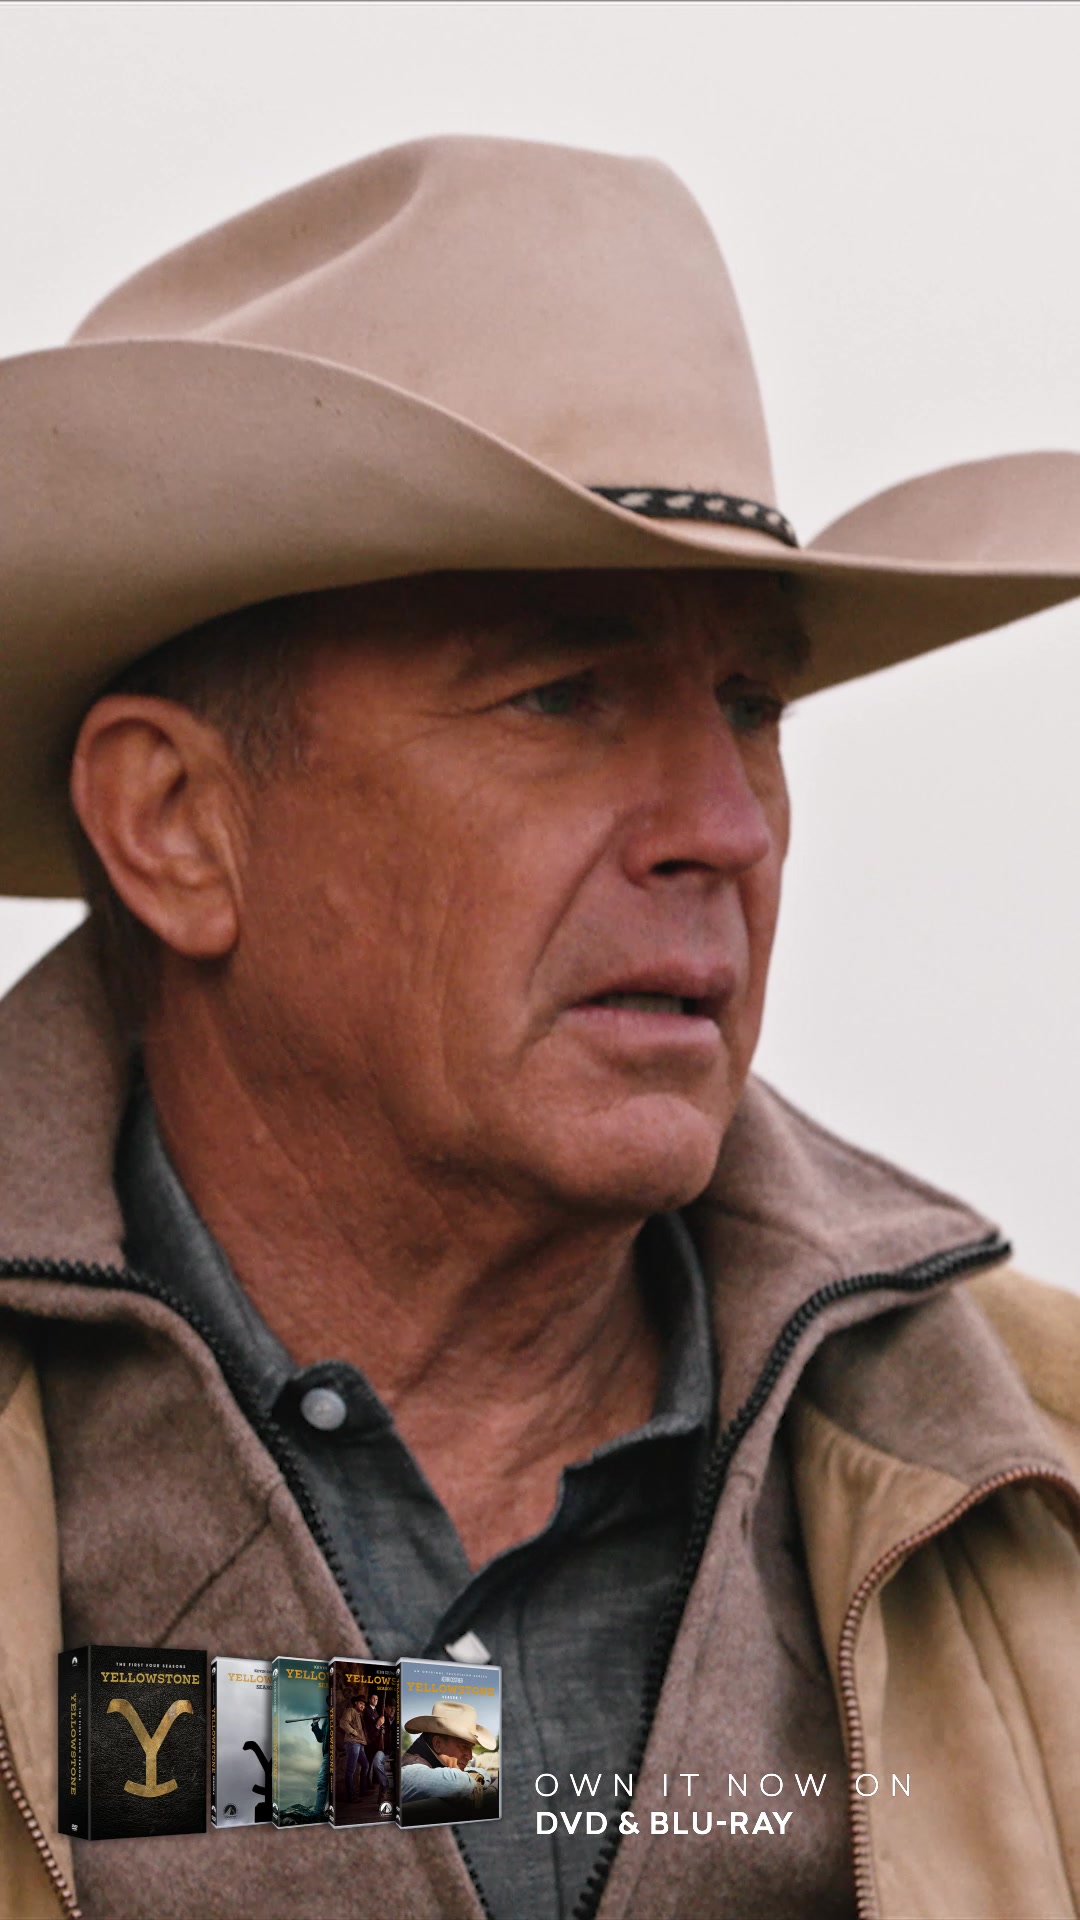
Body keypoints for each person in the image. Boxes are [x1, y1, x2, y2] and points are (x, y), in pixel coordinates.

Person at [1, 134, 1079, 1920]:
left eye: (752, 703)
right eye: (564, 695)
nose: (722, 827)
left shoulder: (1040, 1474)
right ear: (179, 825)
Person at [400, 1703, 499, 1824]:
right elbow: (459, 1783)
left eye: (471, 1748)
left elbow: (480, 1774)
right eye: (464, 1747)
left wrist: (477, 1776)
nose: (469, 1756)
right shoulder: (412, 1768)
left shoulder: (437, 1763)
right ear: (438, 1744)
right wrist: (477, 1777)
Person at [339, 1691, 368, 1802]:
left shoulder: (360, 1715)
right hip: (352, 1743)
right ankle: (351, 1796)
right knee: (351, 1770)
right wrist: (354, 1732)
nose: (362, 1706)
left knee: (365, 1765)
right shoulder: (350, 1710)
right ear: (355, 1703)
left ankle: (363, 1791)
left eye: (364, 1705)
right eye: (361, 1703)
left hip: (359, 1744)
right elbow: (343, 1723)